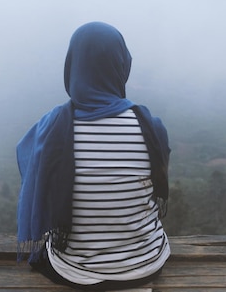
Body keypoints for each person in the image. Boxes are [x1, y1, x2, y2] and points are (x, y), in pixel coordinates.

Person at [16, 21, 171, 290]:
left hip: (75, 271)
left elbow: (28, 164)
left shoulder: (53, 126)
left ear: (73, 65)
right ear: (121, 65)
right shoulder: (149, 125)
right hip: (146, 265)